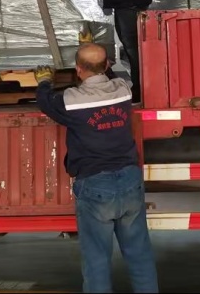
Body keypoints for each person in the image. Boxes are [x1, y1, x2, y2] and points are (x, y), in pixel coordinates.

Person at [35, 43, 158, 293]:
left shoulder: (71, 101)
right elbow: (112, 76)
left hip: (95, 185)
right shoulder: (123, 90)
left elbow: (45, 102)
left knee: (97, 261)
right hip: (130, 181)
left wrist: (44, 81)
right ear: (107, 65)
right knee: (140, 255)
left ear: (78, 69)